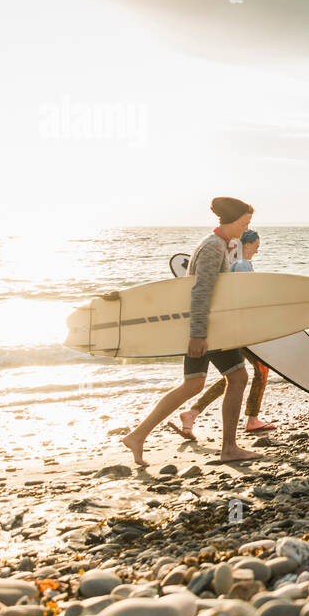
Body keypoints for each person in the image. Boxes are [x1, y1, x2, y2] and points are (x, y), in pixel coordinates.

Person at [120, 197, 260, 465]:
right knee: (238, 378)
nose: (246, 228)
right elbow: (200, 291)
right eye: (245, 222)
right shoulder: (212, 247)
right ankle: (229, 448)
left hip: (205, 328)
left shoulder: (219, 244)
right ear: (233, 220)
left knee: (193, 385)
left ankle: (137, 436)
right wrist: (198, 334)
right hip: (208, 330)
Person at [171, 229, 275, 437]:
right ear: (247, 244)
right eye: (256, 244)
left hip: (230, 327)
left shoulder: (235, 263)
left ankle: (192, 413)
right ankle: (252, 419)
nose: (257, 248)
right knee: (257, 370)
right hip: (239, 328)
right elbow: (244, 298)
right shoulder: (242, 265)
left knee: (235, 376)